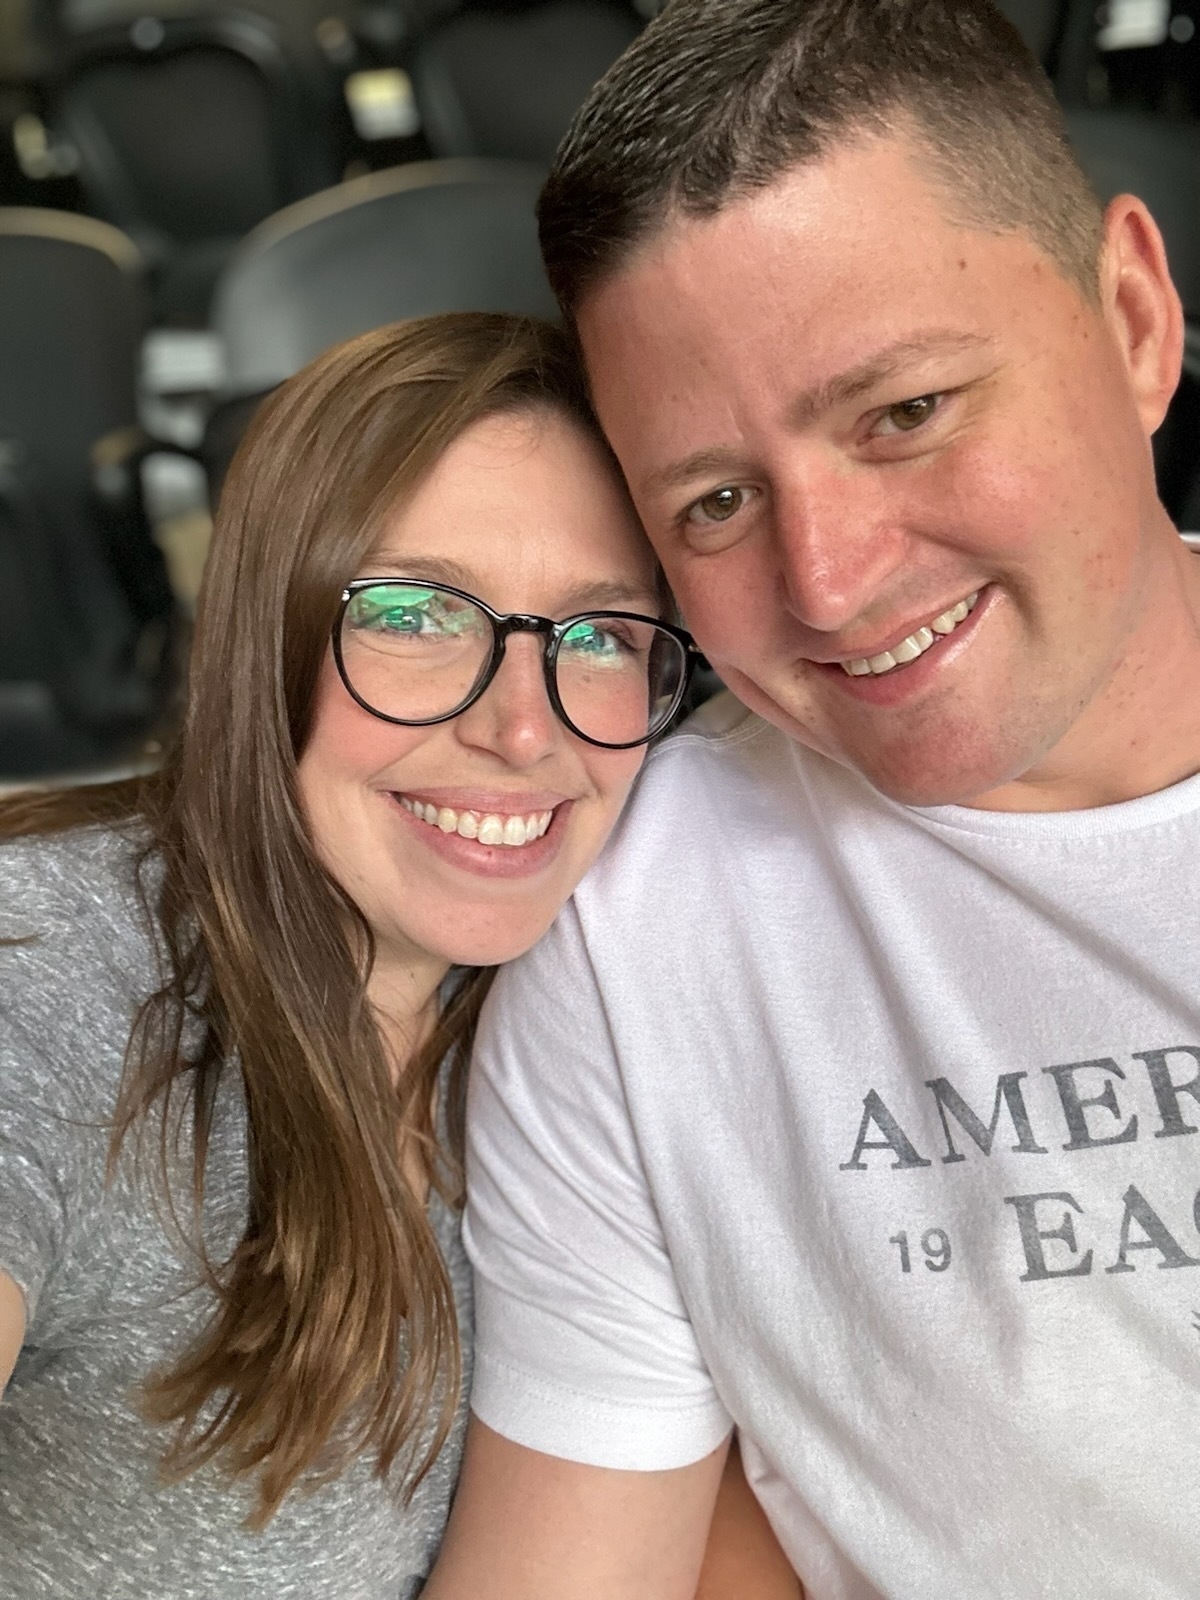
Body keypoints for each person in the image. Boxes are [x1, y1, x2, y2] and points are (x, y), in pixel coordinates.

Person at [422, 4, 1200, 1598]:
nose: (829, 586)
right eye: (716, 501)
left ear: (1134, 319)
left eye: (906, 414)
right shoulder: (632, 938)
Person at [0, 312, 792, 1598]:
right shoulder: (43, 971)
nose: (523, 731)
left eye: (599, 634)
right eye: (418, 614)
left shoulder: (608, 993)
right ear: (264, 636)